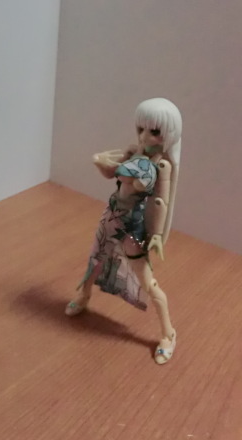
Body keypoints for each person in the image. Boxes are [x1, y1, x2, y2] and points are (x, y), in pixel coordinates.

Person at [66, 98, 182, 364]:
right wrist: (101, 162)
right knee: (95, 261)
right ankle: (84, 296)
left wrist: (156, 234)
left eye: (154, 131)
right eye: (141, 128)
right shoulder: (133, 152)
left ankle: (168, 333)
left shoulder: (159, 166)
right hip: (111, 216)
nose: (144, 136)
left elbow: (158, 199)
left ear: (168, 135)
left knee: (148, 282)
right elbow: (112, 173)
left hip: (132, 226)